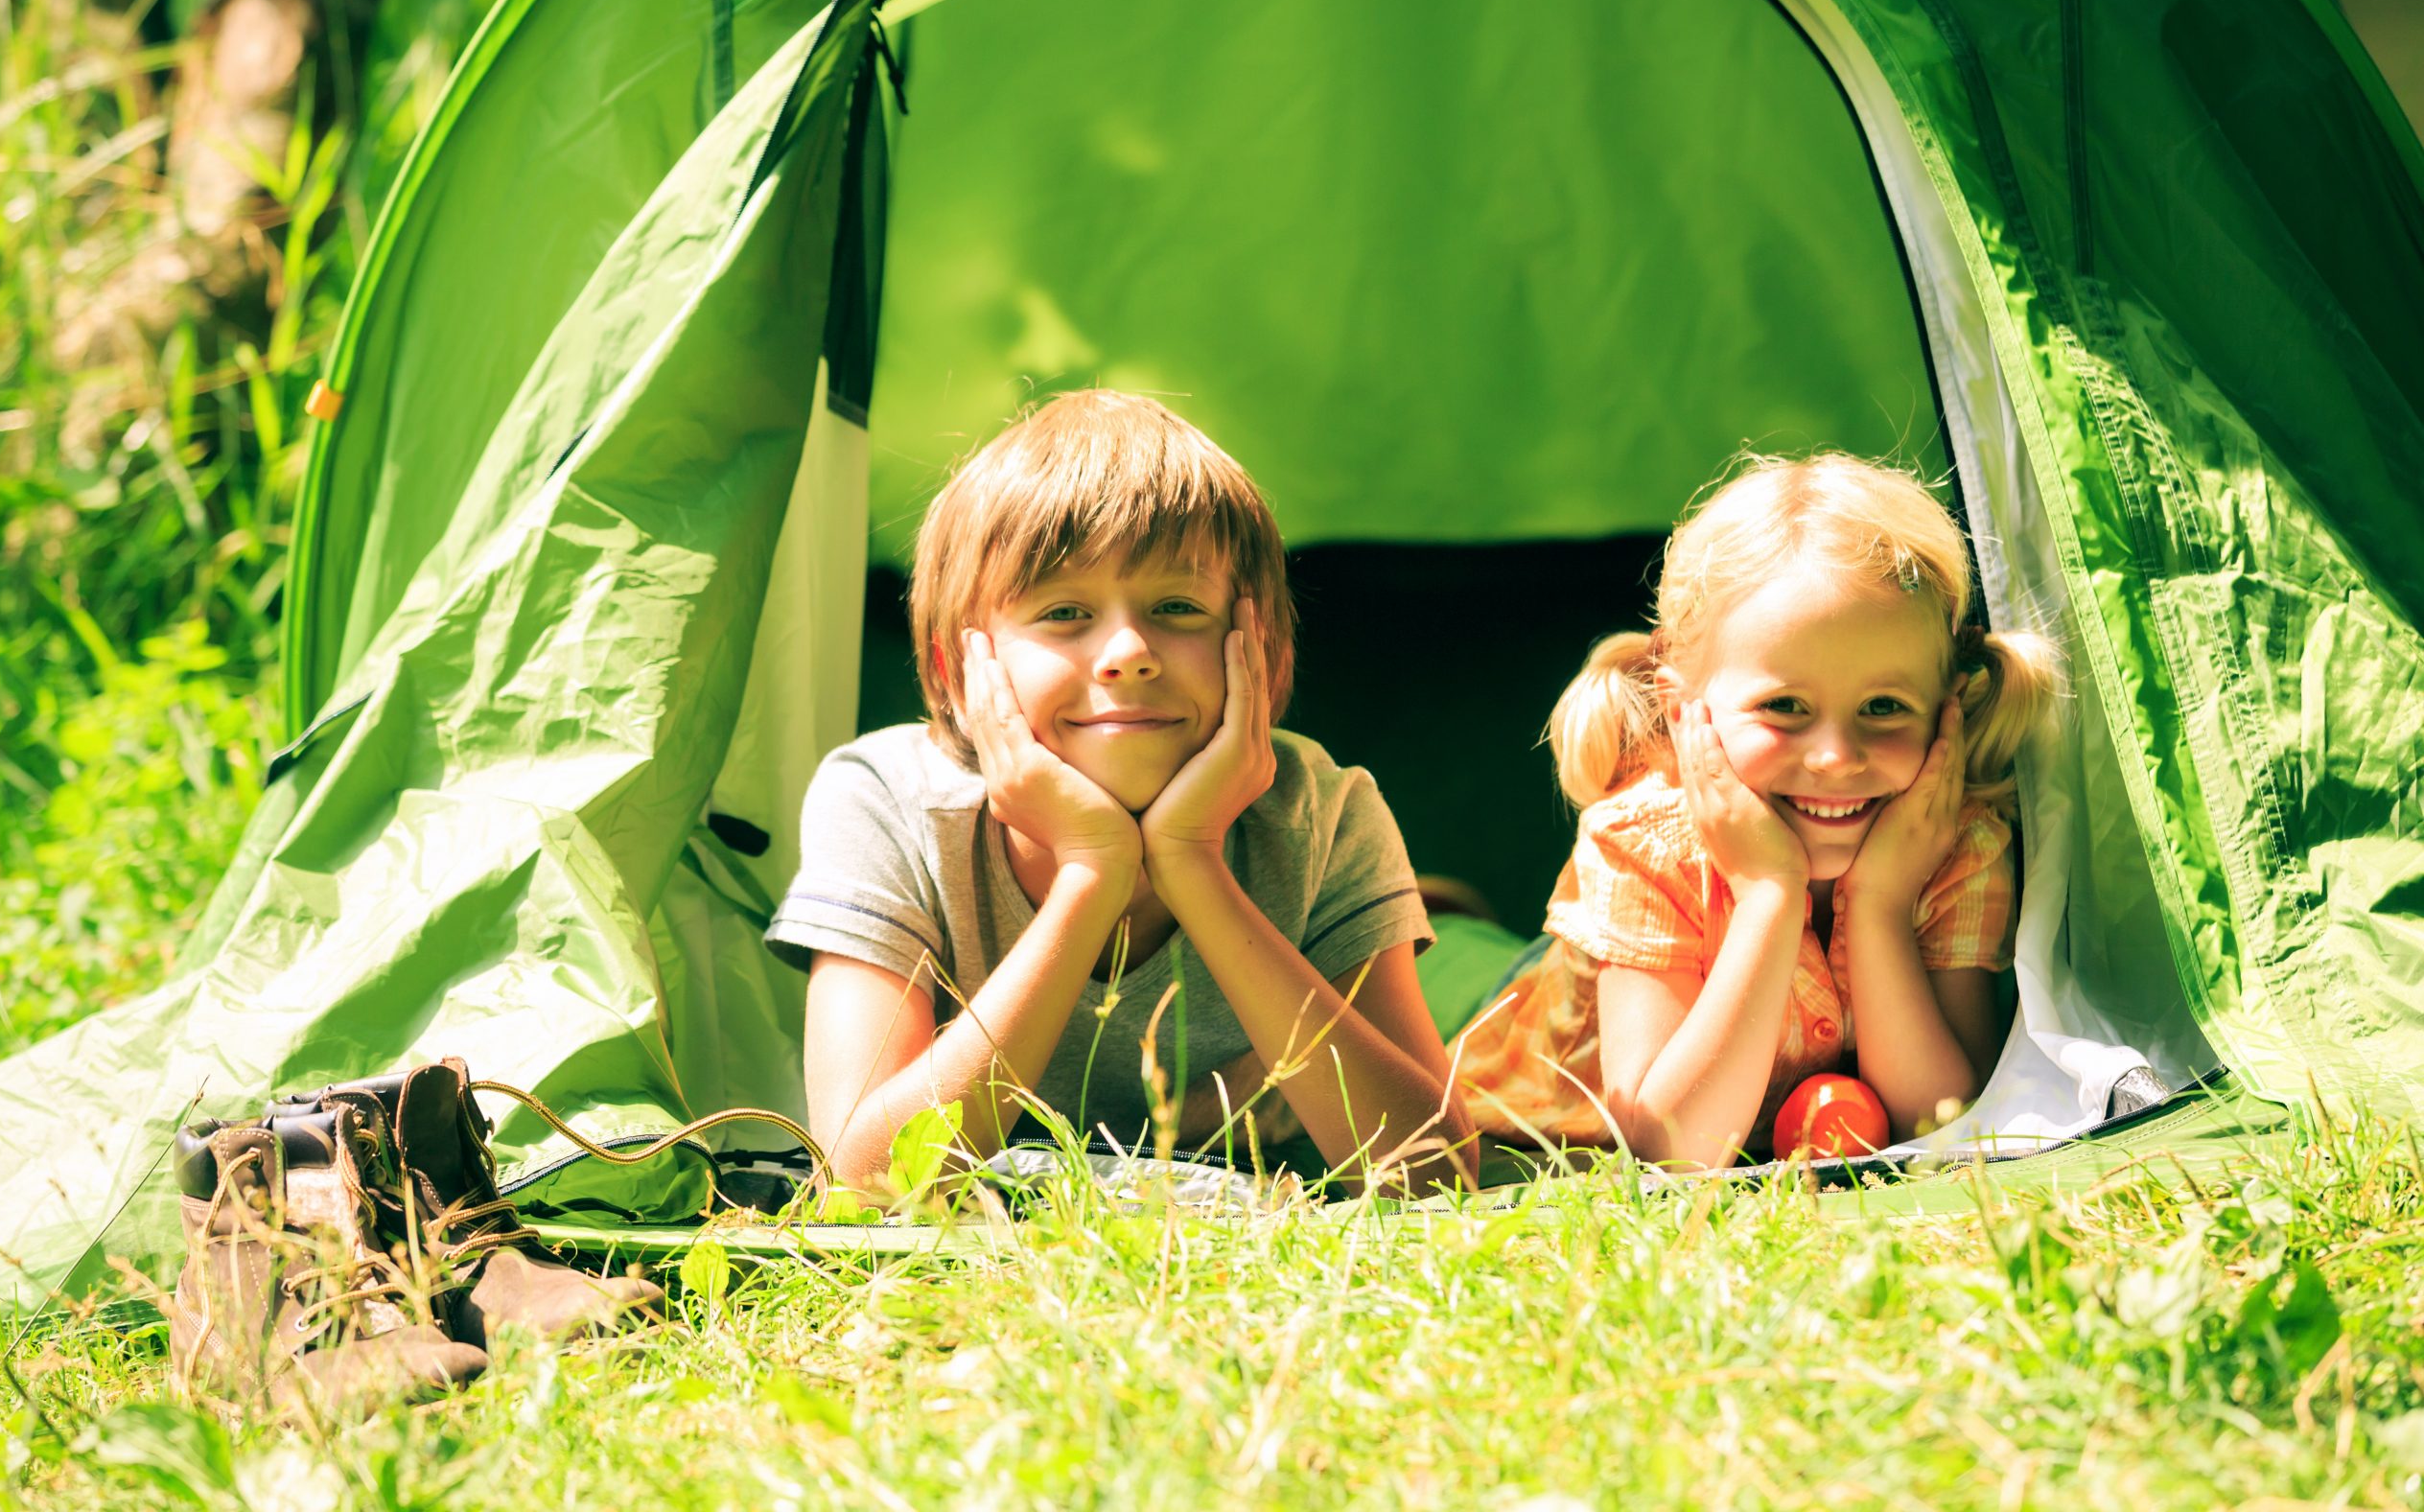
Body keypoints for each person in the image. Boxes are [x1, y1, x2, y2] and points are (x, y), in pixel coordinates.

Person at [774, 391, 1477, 1193]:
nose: (1128, 653)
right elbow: (865, 1180)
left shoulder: (1322, 809)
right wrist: (1090, 875)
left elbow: (1434, 1172)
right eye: (1064, 612)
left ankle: (1456, 925)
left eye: (1177, 607)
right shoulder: (882, 800)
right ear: (957, 676)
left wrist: (1192, 864)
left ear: (1267, 655)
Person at [1448, 454, 2058, 1169]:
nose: (1836, 757)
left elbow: (1946, 1118)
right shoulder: (1644, 842)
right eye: (1785, 707)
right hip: (1502, 1026)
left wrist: (1880, 906)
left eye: (1884, 707)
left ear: (1947, 708)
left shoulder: (1952, 840)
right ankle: (1450, 911)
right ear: (1684, 711)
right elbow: (1669, 1148)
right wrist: (1770, 892)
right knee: (1439, 959)